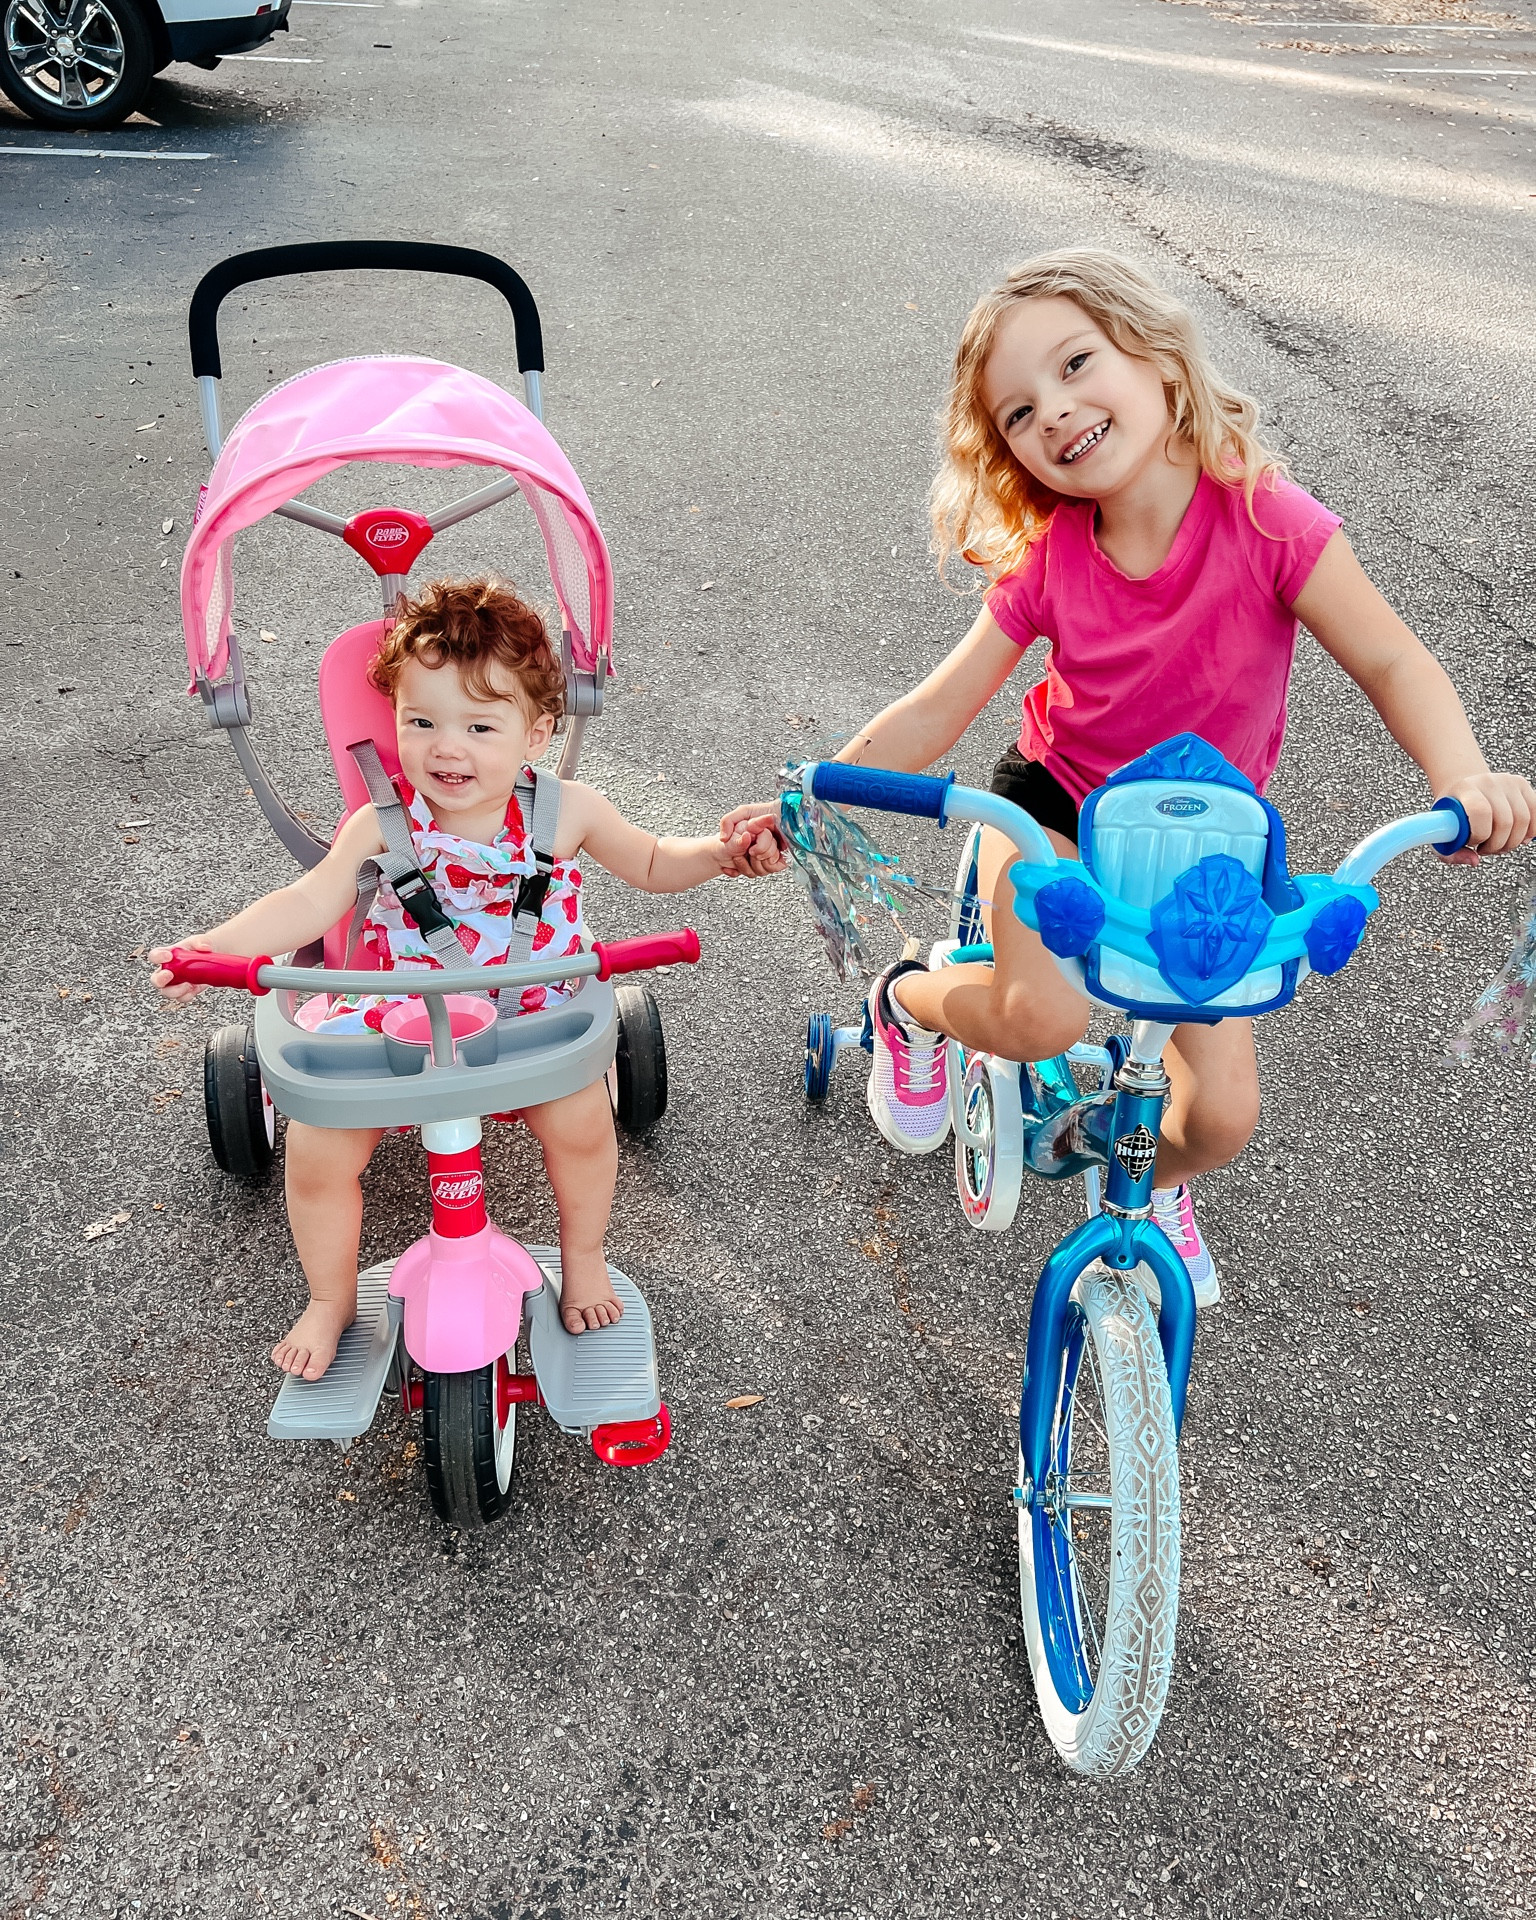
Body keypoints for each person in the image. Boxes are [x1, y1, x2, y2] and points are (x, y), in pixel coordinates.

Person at [725, 248, 1535, 1302]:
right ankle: (909, 1003)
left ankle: (1146, 1170)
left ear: (1155, 355)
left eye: (1075, 364)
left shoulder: (1268, 520)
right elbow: (936, 707)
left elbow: (1392, 660)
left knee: (1223, 1118)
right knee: (1042, 1018)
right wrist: (813, 795)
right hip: (1054, 809)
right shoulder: (1052, 557)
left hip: (1207, 841)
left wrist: (1464, 775)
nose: (1055, 411)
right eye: (1020, 413)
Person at [153, 576, 784, 1380]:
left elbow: (655, 861)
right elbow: (310, 902)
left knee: (584, 1124)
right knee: (316, 1148)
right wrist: (214, 947)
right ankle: (330, 1297)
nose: (446, 749)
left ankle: (584, 1256)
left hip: (533, 1012)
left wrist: (719, 854)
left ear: (536, 733)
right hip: (405, 1019)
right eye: (420, 722)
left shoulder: (568, 809)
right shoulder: (381, 823)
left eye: (479, 726)